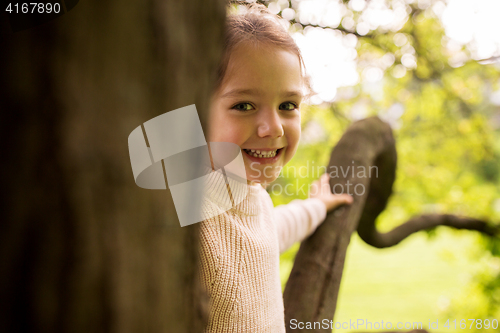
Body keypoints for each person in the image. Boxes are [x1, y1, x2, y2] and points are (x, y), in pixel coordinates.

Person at [198, 3, 353, 332]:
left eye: (288, 105)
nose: (274, 128)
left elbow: (271, 231)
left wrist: (316, 207)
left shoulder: (254, 199)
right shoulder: (187, 220)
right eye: (243, 105)